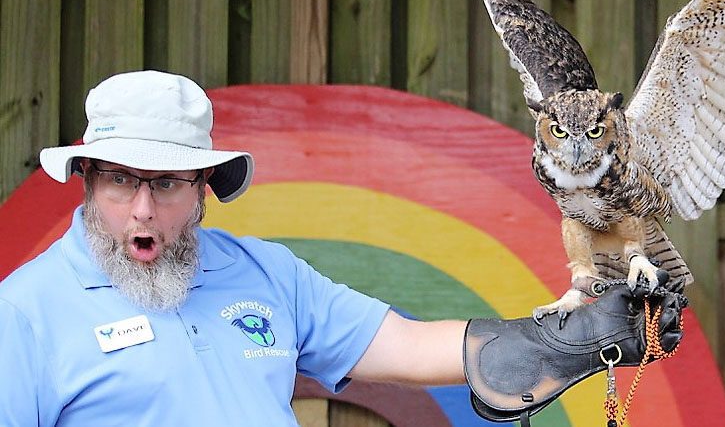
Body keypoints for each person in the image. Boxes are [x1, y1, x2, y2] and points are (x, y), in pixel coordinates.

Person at [0, 71, 685, 426]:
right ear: (86, 179)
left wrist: (570, 336)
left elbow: (409, 348)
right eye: (121, 181)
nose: (142, 208)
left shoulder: (262, 272)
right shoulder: (25, 313)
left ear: (205, 186)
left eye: (168, 183)